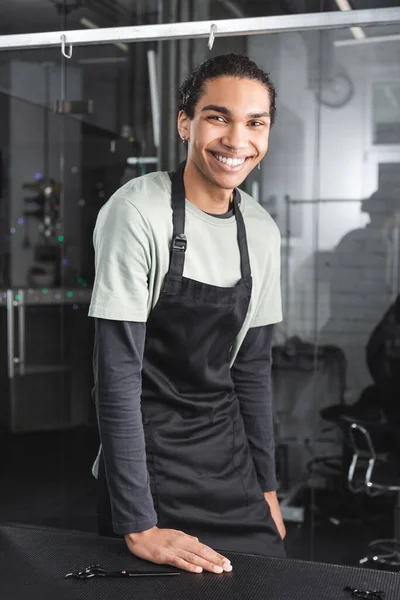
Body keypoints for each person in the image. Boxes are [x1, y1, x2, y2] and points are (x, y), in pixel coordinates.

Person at [89, 53, 286, 575]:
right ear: (186, 123)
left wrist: (266, 488)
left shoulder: (262, 231)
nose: (236, 140)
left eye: (254, 122)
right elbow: (117, 376)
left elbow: (252, 372)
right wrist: (137, 522)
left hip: (229, 462)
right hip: (149, 467)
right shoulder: (136, 213)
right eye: (218, 116)